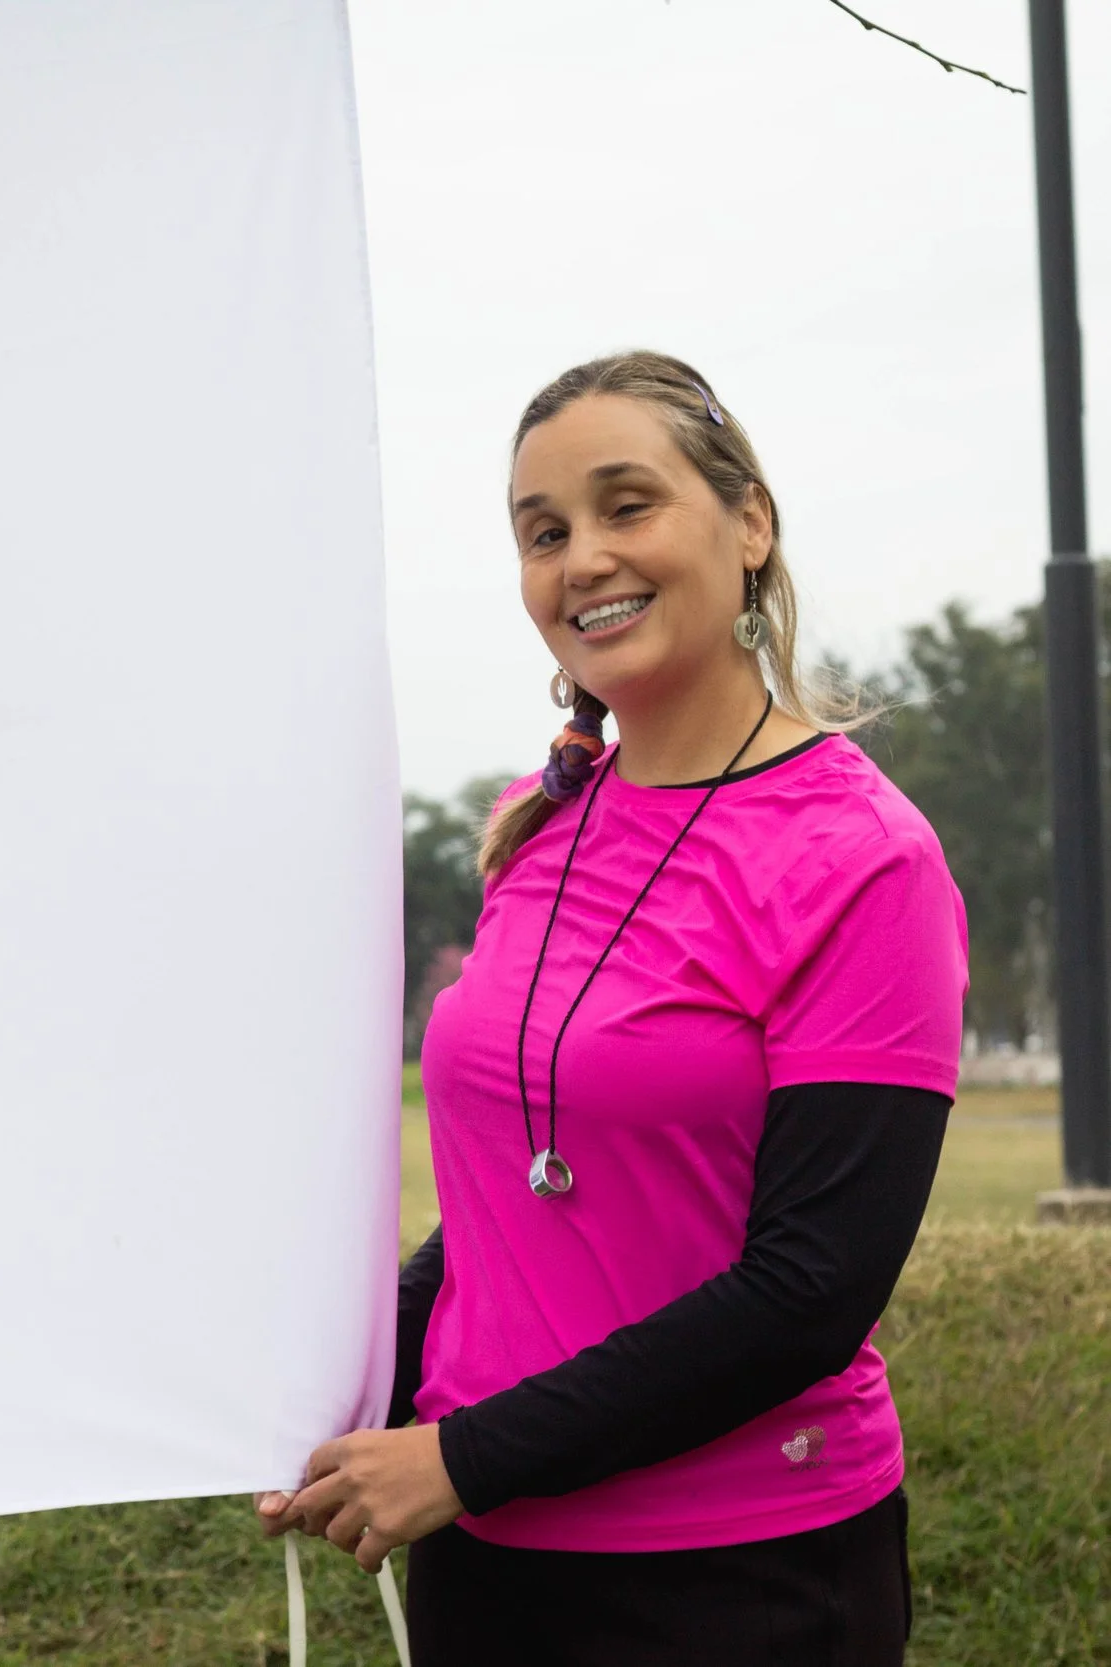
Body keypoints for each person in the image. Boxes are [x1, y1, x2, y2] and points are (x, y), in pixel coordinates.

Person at [255, 352, 965, 1665]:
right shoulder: (538, 828)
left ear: (749, 525)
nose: (583, 558)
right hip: (492, 1557)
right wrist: (349, 1393)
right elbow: (505, 1209)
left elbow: (810, 1291)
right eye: (544, 532)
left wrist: (463, 1456)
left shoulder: (867, 858)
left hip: (743, 1579)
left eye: (627, 505)